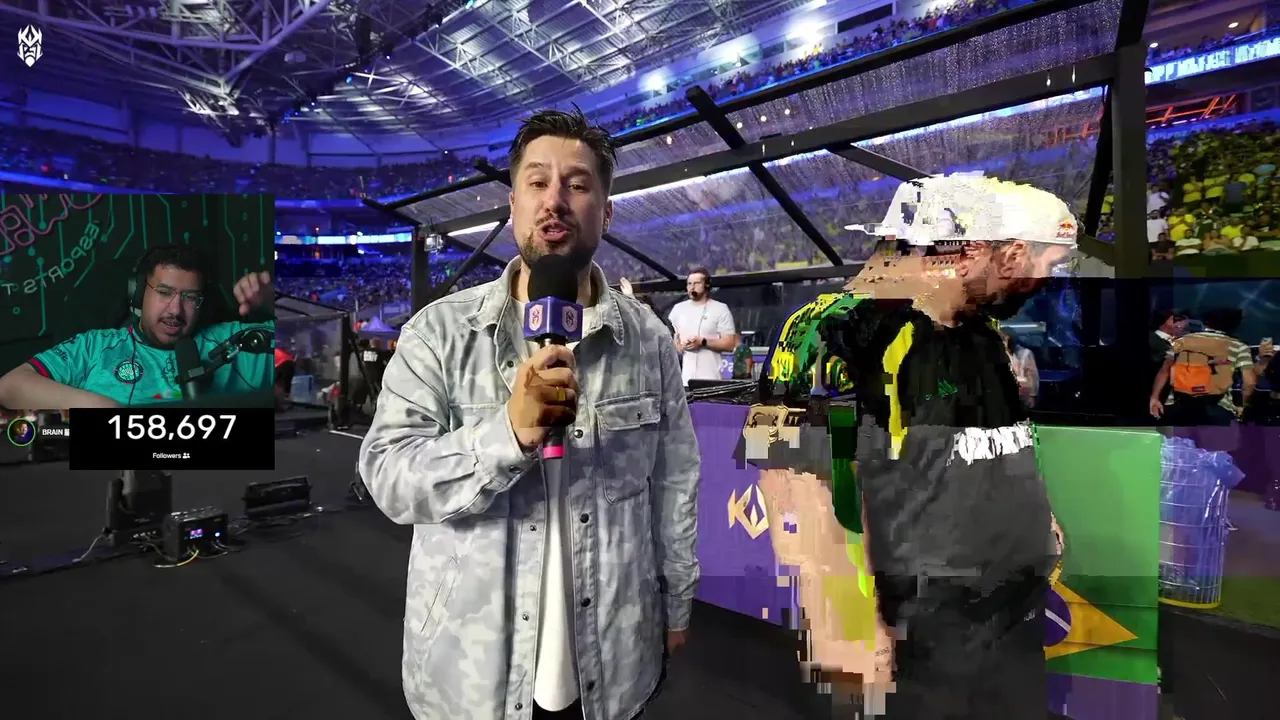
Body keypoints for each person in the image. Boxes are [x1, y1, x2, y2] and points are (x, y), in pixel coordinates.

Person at [358, 107, 700, 720]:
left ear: (606, 211)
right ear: (513, 203)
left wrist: (677, 600)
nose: (555, 201)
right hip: (472, 679)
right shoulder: (439, 333)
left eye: (577, 184)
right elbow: (387, 476)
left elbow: (675, 481)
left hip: (612, 662)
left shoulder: (648, 340)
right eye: (537, 182)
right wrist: (508, 434)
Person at [748, 175, 1069, 719]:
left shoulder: (981, 331)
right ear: (977, 252)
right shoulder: (831, 328)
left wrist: (1042, 520)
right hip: (919, 629)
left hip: (1011, 612)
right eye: (1044, 264)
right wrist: (846, 621)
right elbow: (784, 473)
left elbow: (998, 436)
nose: (1042, 280)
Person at [0, 245, 275, 409]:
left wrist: (271, 303)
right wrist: (103, 408)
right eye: (164, 292)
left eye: (190, 297)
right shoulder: (94, 346)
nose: (175, 310)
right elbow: (9, 386)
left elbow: (295, 354)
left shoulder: (233, 343)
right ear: (139, 294)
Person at [668, 268, 738, 384]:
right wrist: (676, 346)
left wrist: (703, 342)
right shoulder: (677, 309)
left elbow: (730, 344)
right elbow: (668, 338)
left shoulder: (720, 309)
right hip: (683, 379)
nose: (692, 287)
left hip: (711, 378)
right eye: (689, 284)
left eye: (697, 283)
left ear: (707, 285)